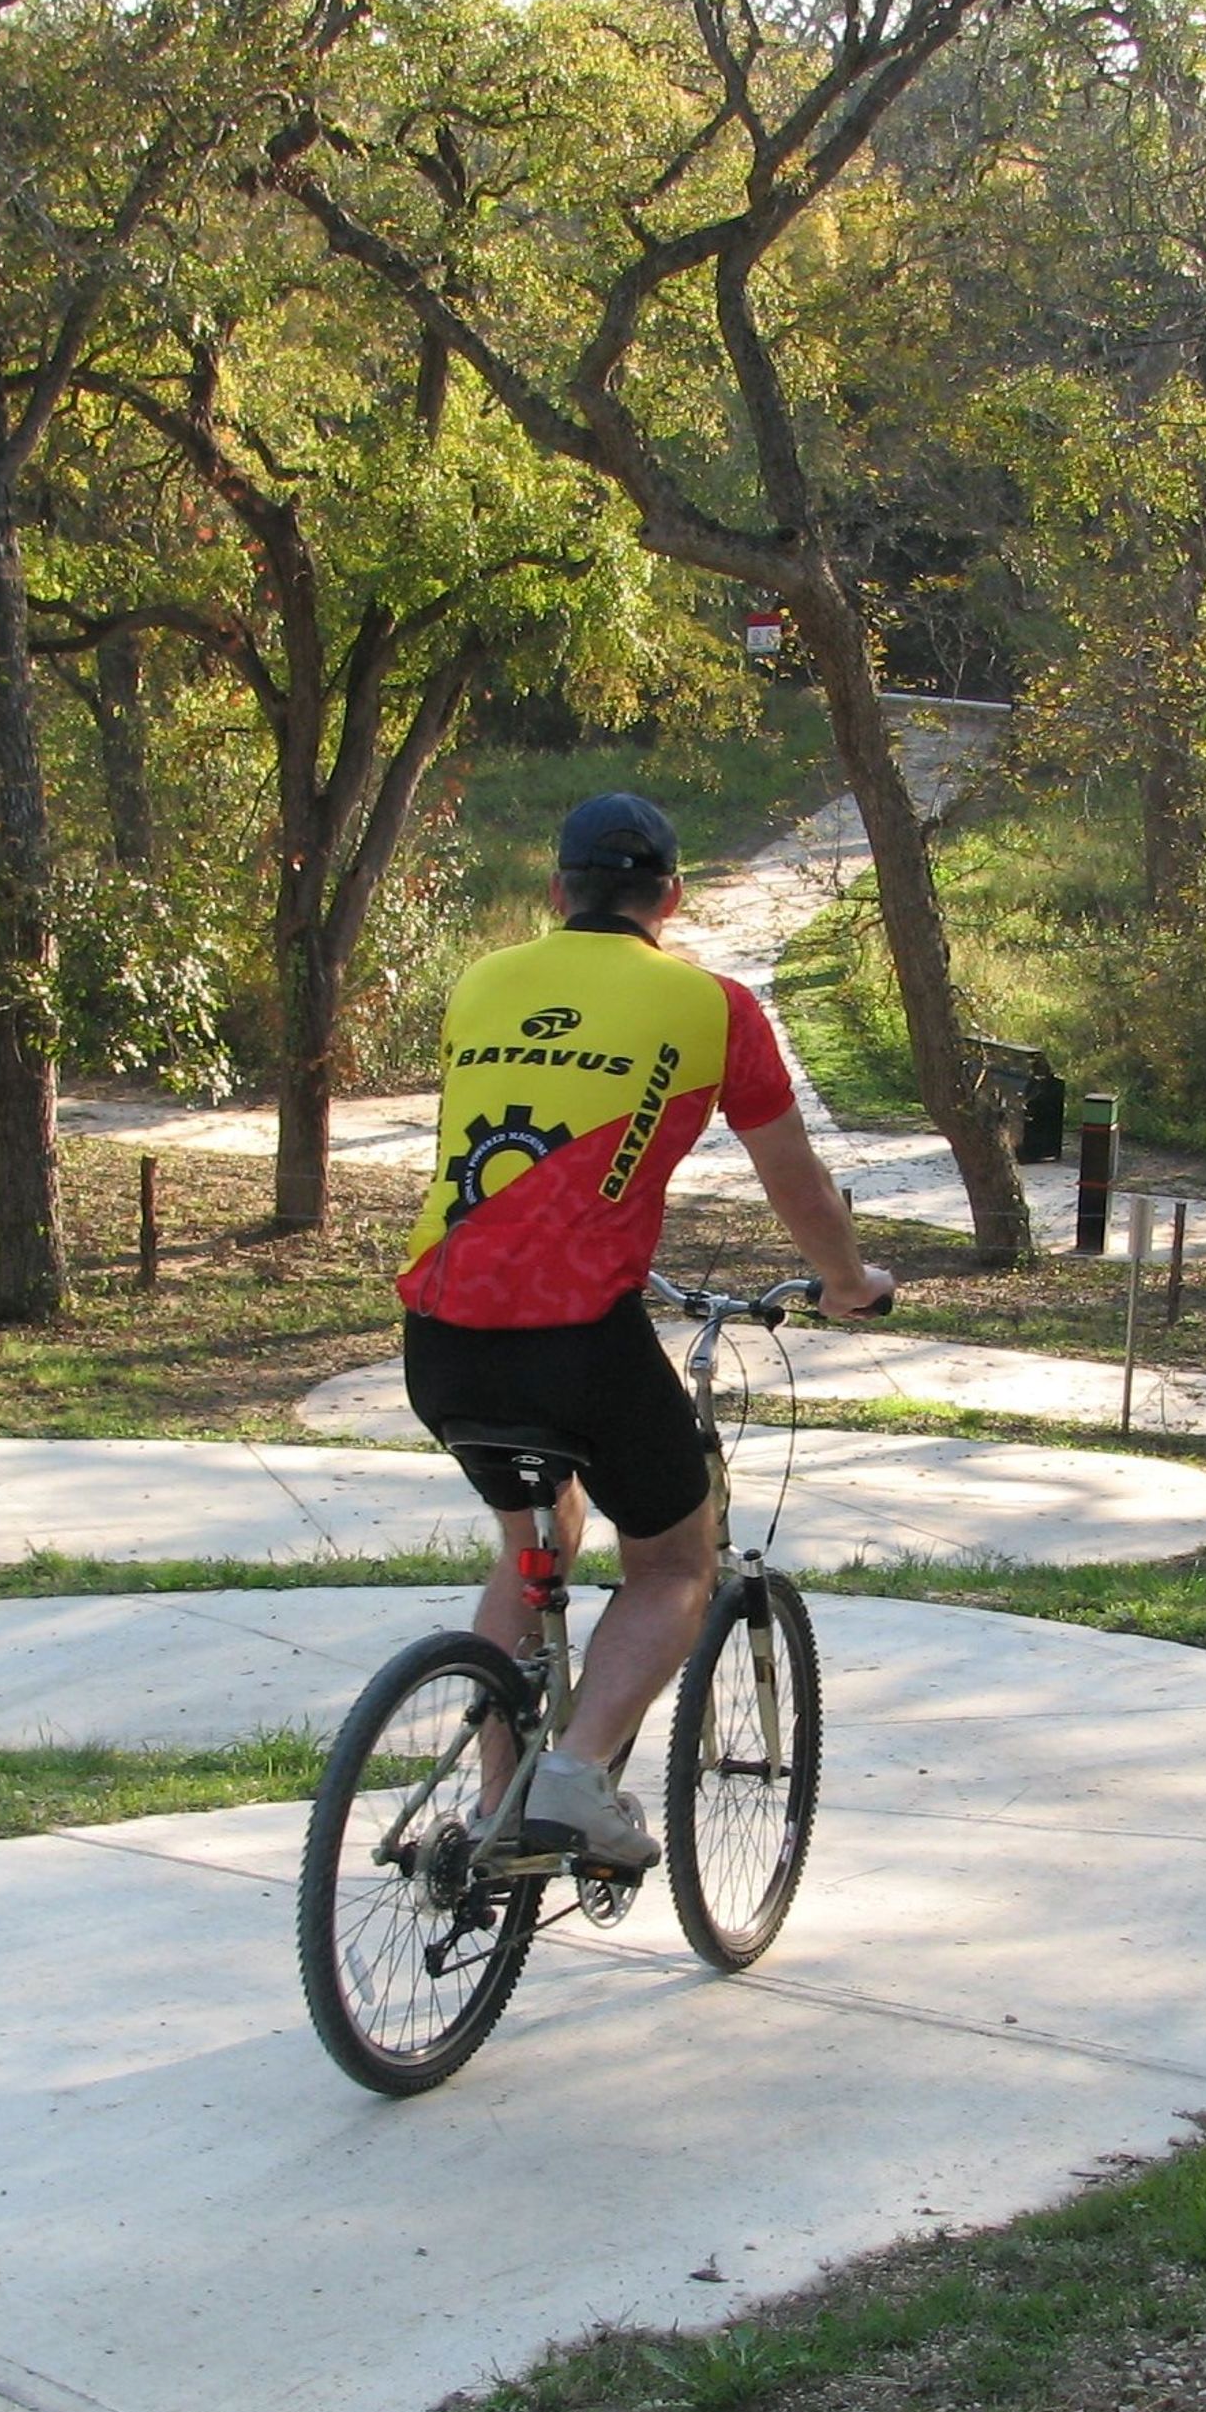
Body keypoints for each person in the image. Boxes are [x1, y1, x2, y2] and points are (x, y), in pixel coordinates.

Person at [394, 790, 892, 1871]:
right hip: (576, 1335)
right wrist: (847, 1280)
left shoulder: (484, 983)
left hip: (440, 1336)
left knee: (536, 1541)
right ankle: (572, 1781)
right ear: (672, 896)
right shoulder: (712, 1006)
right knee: (672, 1561)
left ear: (554, 891)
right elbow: (795, 1181)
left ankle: (493, 1816)